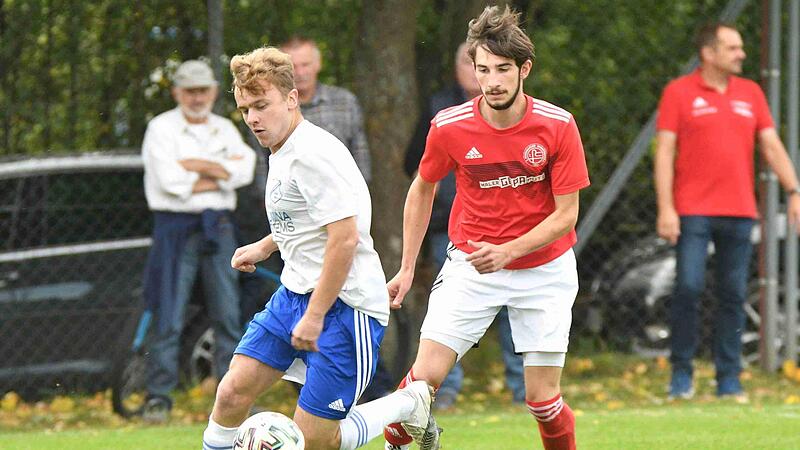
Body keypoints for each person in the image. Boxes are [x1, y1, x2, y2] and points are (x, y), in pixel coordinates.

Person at [202, 46, 437, 450]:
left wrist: (315, 316)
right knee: (231, 394)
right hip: (294, 296)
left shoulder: (313, 154)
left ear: (292, 99)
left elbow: (344, 238)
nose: (253, 119)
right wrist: (265, 246)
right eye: (245, 110)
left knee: (317, 440)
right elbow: (309, 219)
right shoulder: (282, 148)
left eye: (262, 105)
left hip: (345, 309)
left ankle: (406, 403)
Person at [384, 6, 589, 450]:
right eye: (483, 70)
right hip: (472, 266)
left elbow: (566, 215)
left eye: (502, 69)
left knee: (543, 402)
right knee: (420, 385)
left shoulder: (558, 126)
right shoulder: (450, 126)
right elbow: (421, 189)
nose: (492, 81)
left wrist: (510, 251)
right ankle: (399, 443)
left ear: (524, 69)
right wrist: (405, 268)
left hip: (545, 269)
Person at [654, 22, 800, 401]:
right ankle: (681, 378)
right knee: (687, 288)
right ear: (709, 53)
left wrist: (794, 189)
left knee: (733, 295)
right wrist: (666, 208)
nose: (742, 54)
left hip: (739, 211)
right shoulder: (678, 93)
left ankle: (729, 380)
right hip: (692, 212)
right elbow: (665, 152)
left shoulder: (751, 93)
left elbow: (771, 145)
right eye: (733, 48)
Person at [404, 41, 526, 410]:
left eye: (499, 68)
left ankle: (523, 391)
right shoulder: (442, 110)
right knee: (450, 314)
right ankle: (442, 392)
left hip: (516, 237)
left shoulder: (527, 113)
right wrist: (447, 197)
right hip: (453, 231)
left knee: (514, 311)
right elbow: (417, 166)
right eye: (475, 65)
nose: (487, 76)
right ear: (468, 68)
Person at [141, 59, 257, 422]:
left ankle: (231, 398)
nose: (197, 97)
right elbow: (169, 183)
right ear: (177, 92)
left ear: (211, 91)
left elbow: (245, 170)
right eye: (190, 90)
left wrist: (196, 166)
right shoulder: (160, 128)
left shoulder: (224, 128)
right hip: (175, 229)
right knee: (169, 315)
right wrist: (219, 171)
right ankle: (158, 398)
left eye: (203, 90)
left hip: (219, 226)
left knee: (228, 315)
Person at [280, 36, 372, 182]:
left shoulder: (345, 102)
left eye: (305, 65)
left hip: (342, 196)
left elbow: (360, 153)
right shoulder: (274, 108)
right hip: (289, 200)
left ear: (318, 64)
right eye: (293, 67)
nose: (300, 72)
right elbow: (261, 162)